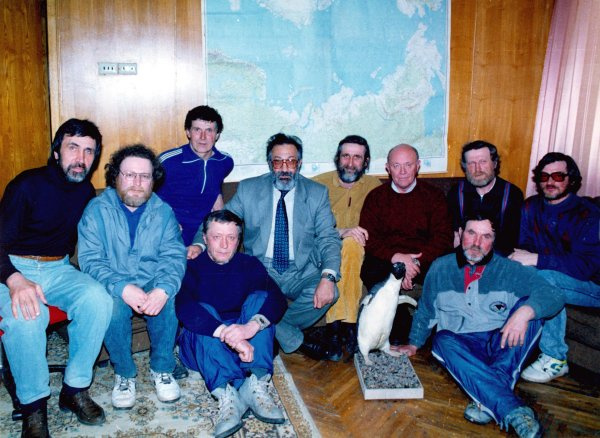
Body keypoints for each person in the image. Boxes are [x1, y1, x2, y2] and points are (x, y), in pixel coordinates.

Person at [395, 215, 564, 438]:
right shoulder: (440, 267)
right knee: (441, 340)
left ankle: (488, 400)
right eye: (471, 233)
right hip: (463, 346)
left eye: (486, 236)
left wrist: (524, 313)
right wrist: (414, 343)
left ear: (494, 240)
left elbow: (553, 294)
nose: (477, 243)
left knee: (531, 310)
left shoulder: (509, 269)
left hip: (503, 341)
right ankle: (511, 408)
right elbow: (426, 310)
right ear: (459, 234)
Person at [0, 119, 112, 437]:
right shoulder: (26, 185)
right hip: (12, 267)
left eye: (89, 151)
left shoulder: (85, 191)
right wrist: (15, 280)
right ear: (56, 151)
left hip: (58, 268)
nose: (81, 158)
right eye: (73, 147)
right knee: (27, 316)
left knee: (98, 300)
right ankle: (33, 407)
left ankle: (74, 389)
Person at [191, 133, 341, 361]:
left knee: (332, 292)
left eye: (291, 161)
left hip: (301, 269)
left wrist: (328, 277)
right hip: (262, 269)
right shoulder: (249, 189)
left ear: (299, 163)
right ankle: (297, 340)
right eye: (278, 161)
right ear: (270, 164)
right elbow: (217, 221)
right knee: (246, 295)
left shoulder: (316, 193)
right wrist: (198, 245)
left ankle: (272, 332)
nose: (285, 168)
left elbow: (328, 237)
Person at [78, 144, 187, 409]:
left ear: (153, 180)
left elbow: (173, 256)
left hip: (151, 278)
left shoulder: (163, 212)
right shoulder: (96, 210)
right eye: (129, 175)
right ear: (116, 176)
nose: (137, 183)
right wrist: (122, 287)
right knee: (111, 307)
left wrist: (163, 289)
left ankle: (162, 368)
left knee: (169, 299)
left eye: (144, 176)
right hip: (112, 280)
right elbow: (90, 260)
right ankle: (124, 373)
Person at [177, 210, 288, 438]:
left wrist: (250, 327)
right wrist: (228, 335)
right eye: (217, 237)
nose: (224, 245)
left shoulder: (249, 264)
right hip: (202, 347)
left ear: (239, 241)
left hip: (246, 346)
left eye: (231, 237)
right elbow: (184, 307)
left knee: (261, 298)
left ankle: (255, 383)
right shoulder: (191, 267)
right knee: (202, 311)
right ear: (205, 238)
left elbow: (277, 299)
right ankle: (226, 394)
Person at [510, 152, 600, 383]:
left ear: (571, 179)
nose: (550, 181)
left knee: (546, 280)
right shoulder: (530, 207)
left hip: (592, 285)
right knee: (521, 273)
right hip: (551, 274)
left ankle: (555, 357)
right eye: (544, 176)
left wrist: (538, 259)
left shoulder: (588, 214)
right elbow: (524, 249)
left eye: (558, 176)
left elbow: (585, 267)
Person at [359, 143, 452, 345]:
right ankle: (401, 326)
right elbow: (370, 239)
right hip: (387, 260)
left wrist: (414, 264)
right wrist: (397, 260)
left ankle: (416, 327)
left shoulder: (434, 196)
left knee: (444, 267)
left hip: (423, 259)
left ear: (418, 166)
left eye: (408, 165)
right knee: (370, 268)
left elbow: (443, 238)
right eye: (396, 166)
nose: (402, 172)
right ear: (387, 168)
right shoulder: (376, 197)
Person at [312, 135, 381, 358]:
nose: (350, 163)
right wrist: (341, 232)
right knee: (348, 242)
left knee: (352, 245)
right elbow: (304, 229)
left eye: (357, 157)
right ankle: (348, 327)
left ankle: (337, 327)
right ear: (337, 158)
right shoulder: (317, 185)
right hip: (322, 250)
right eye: (346, 156)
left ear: (366, 162)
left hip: (359, 253)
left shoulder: (374, 187)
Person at [157, 105, 234, 250]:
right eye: (197, 129)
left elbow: (214, 181)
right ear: (188, 132)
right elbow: (146, 196)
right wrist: (165, 219)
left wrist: (217, 195)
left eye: (209, 130)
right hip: (170, 233)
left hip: (205, 236)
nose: (203, 137)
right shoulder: (167, 161)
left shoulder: (225, 161)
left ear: (217, 135)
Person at [447, 140, 523, 256]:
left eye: (483, 162)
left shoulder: (512, 194)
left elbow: (512, 239)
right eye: (471, 163)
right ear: (464, 167)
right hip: (465, 255)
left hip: (498, 258)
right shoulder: (456, 193)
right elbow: (454, 234)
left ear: (495, 164)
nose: (477, 169)